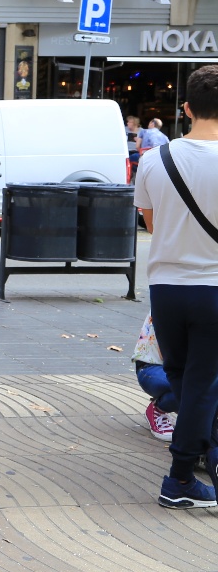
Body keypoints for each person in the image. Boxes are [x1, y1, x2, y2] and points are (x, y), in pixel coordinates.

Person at [134, 65, 218, 510]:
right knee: (203, 384)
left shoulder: (153, 159)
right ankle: (181, 477)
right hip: (214, 286)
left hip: (165, 287)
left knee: (186, 380)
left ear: (185, 108)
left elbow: (152, 223)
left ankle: (192, 467)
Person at [134, 314, 176, 441]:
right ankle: (159, 408)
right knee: (193, 387)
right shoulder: (172, 299)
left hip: (187, 368)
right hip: (152, 366)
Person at [125, 115, 141, 179]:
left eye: (129, 122)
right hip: (126, 151)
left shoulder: (142, 131)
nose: (127, 123)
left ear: (134, 123)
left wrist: (139, 140)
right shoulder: (124, 129)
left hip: (137, 151)